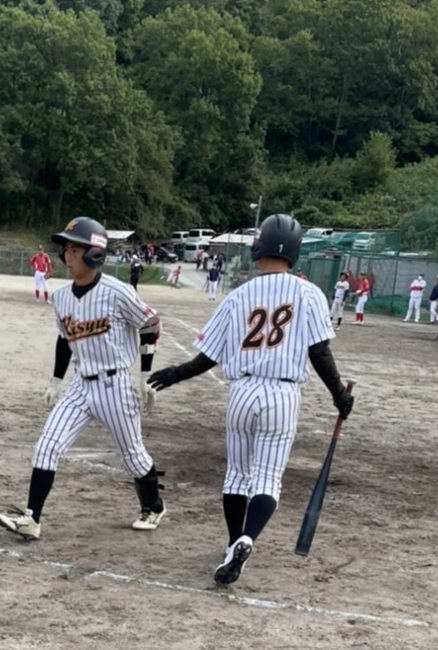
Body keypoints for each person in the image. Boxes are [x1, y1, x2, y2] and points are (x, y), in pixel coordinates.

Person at [146, 214, 354, 586]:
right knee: (268, 479)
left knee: (237, 475)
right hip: (282, 394)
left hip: (241, 392)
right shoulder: (308, 293)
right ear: (294, 251)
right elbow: (319, 352)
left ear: (258, 248)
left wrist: (177, 373)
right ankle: (247, 538)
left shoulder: (238, 296)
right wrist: (338, 394)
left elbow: (209, 357)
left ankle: (233, 543)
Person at [0, 217, 165, 540]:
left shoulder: (118, 292)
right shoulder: (60, 298)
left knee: (133, 456)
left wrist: (146, 375)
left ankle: (154, 505)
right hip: (79, 386)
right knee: (46, 446)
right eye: (66, 250)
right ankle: (32, 518)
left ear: (94, 254)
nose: (67, 256)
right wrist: (55, 381)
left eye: (75, 249)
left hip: (115, 385)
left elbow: (150, 325)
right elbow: (64, 340)